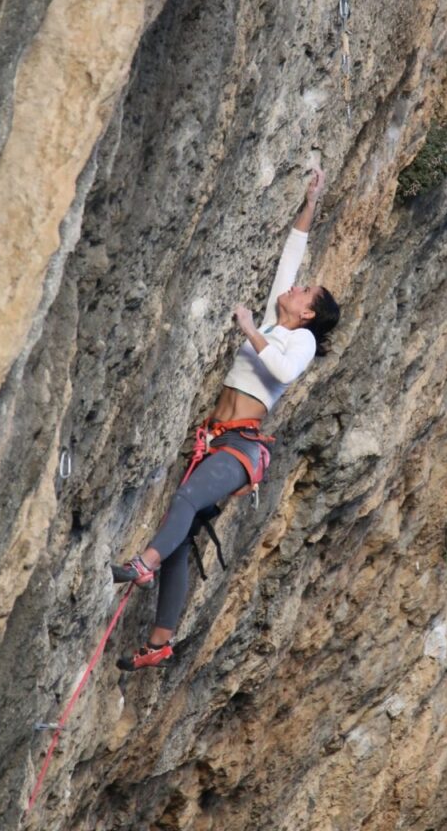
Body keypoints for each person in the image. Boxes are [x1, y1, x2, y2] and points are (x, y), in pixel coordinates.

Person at [111, 167, 340, 670]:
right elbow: (291, 254)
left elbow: (277, 366)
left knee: (188, 499)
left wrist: (246, 329)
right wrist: (310, 201)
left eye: (305, 292)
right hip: (218, 440)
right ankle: (159, 644)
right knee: (183, 532)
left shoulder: (299, 341)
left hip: (242, 449)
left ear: (307, 315)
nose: (297, 287)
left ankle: (142, 566)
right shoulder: (276, 321)